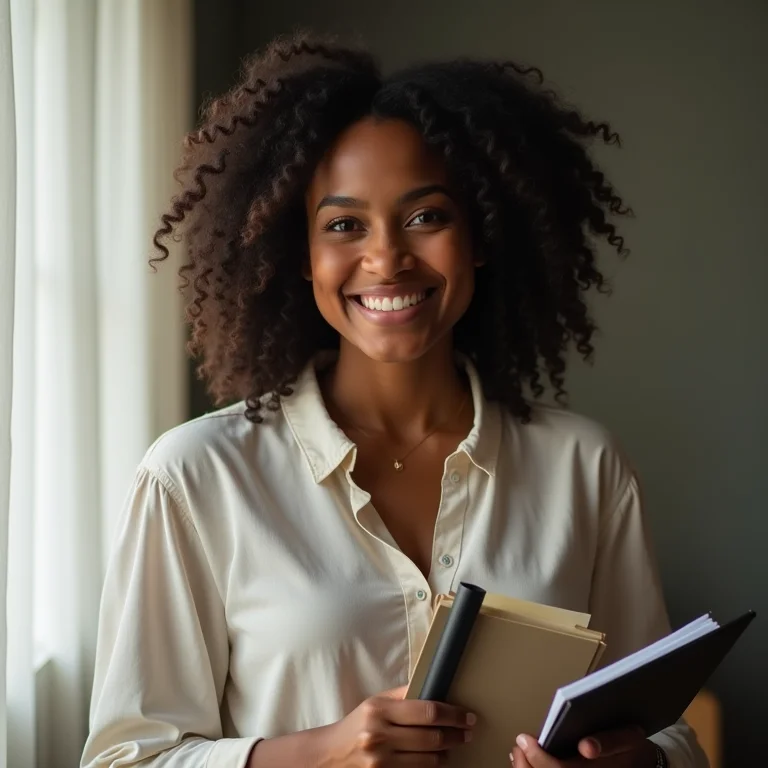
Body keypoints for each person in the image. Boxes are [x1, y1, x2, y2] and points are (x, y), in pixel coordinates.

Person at [81, 32, 708, 768]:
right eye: (344, 225)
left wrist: (638, 761)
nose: (386, 258)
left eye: (426, 217)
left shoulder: (585, 466)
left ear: (480, 234)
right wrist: (320, 752)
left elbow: (671, 735)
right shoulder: (195, 477)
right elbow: (128, 758)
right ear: (301, 255)